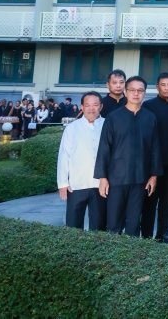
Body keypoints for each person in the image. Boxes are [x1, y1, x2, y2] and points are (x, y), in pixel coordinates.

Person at [94, 76, 160, 236]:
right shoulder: (113, 117)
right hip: (116, 179)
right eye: (132, 90)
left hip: (140, 178)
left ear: (144, 93)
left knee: (133, 222)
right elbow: (104, 148)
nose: (136, 93)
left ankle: (132, 251)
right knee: (113, 223)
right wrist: (103, 178)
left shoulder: (150, 117)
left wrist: (153, 176)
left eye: (140, 90)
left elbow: (155, 148)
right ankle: (113, 250)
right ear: (125, 91)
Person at [56, 92, 106, 231]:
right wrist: (63, 183)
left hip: (100, 185)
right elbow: (64, 156)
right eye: (87, 105)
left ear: (101, 106)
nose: (91, 109)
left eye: (95, 105)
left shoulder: (108, 125)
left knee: (99, 226)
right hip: (76, 184)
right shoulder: (72, 128)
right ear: (82, 107)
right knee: (73, 225)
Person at [141, 72, 168, 242]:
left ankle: (163, 233)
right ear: (157, 87)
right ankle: (146, 235)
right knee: (149, 201)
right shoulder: (148, 106)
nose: (167, 88)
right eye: (163, 85)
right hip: (152, 164)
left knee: (167, 202)